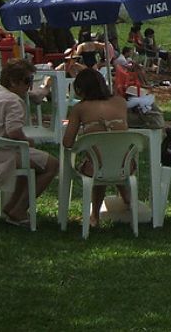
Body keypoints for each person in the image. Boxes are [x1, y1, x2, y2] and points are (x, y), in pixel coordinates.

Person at [62, 68, 131, 227]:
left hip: (96, 167)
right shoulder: (120, 102)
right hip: (126, 165)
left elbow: (67, 142)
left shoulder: (80, 108)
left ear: (80, 89)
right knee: (111, 154)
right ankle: (126, 197)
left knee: (98, 160)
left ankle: (95, 215)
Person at [0, 60, 59, 226]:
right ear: (13, 82)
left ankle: (12, 207)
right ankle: (19, 208)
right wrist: (27, 141)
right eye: (27, 81)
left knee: (32, 162)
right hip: (4, 154)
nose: (29, 86)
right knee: (52, 165)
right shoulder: (13, 101)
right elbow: (13, 131)